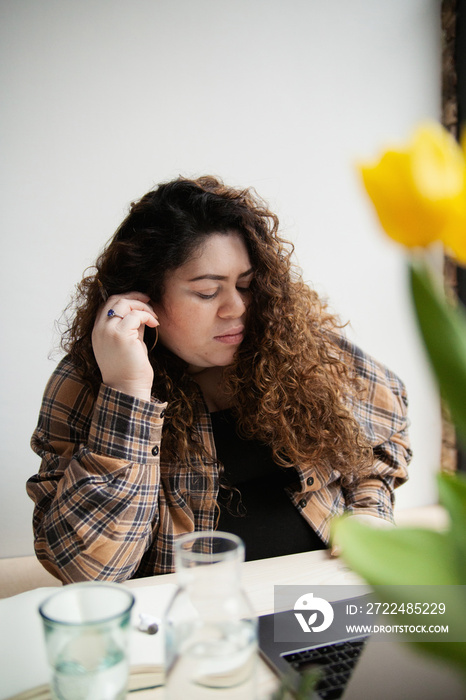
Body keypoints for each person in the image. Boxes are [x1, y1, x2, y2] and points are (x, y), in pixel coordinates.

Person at [27, 176, 412, 583]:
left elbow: (379, 441)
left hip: (318, 595)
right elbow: (91, 570)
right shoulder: (89, 379)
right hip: (188, 618)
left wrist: (371, 512)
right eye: (208, 292)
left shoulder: (294, 347)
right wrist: (127, 393)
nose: (236, 308)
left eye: (246, 285)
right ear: (143, 297)